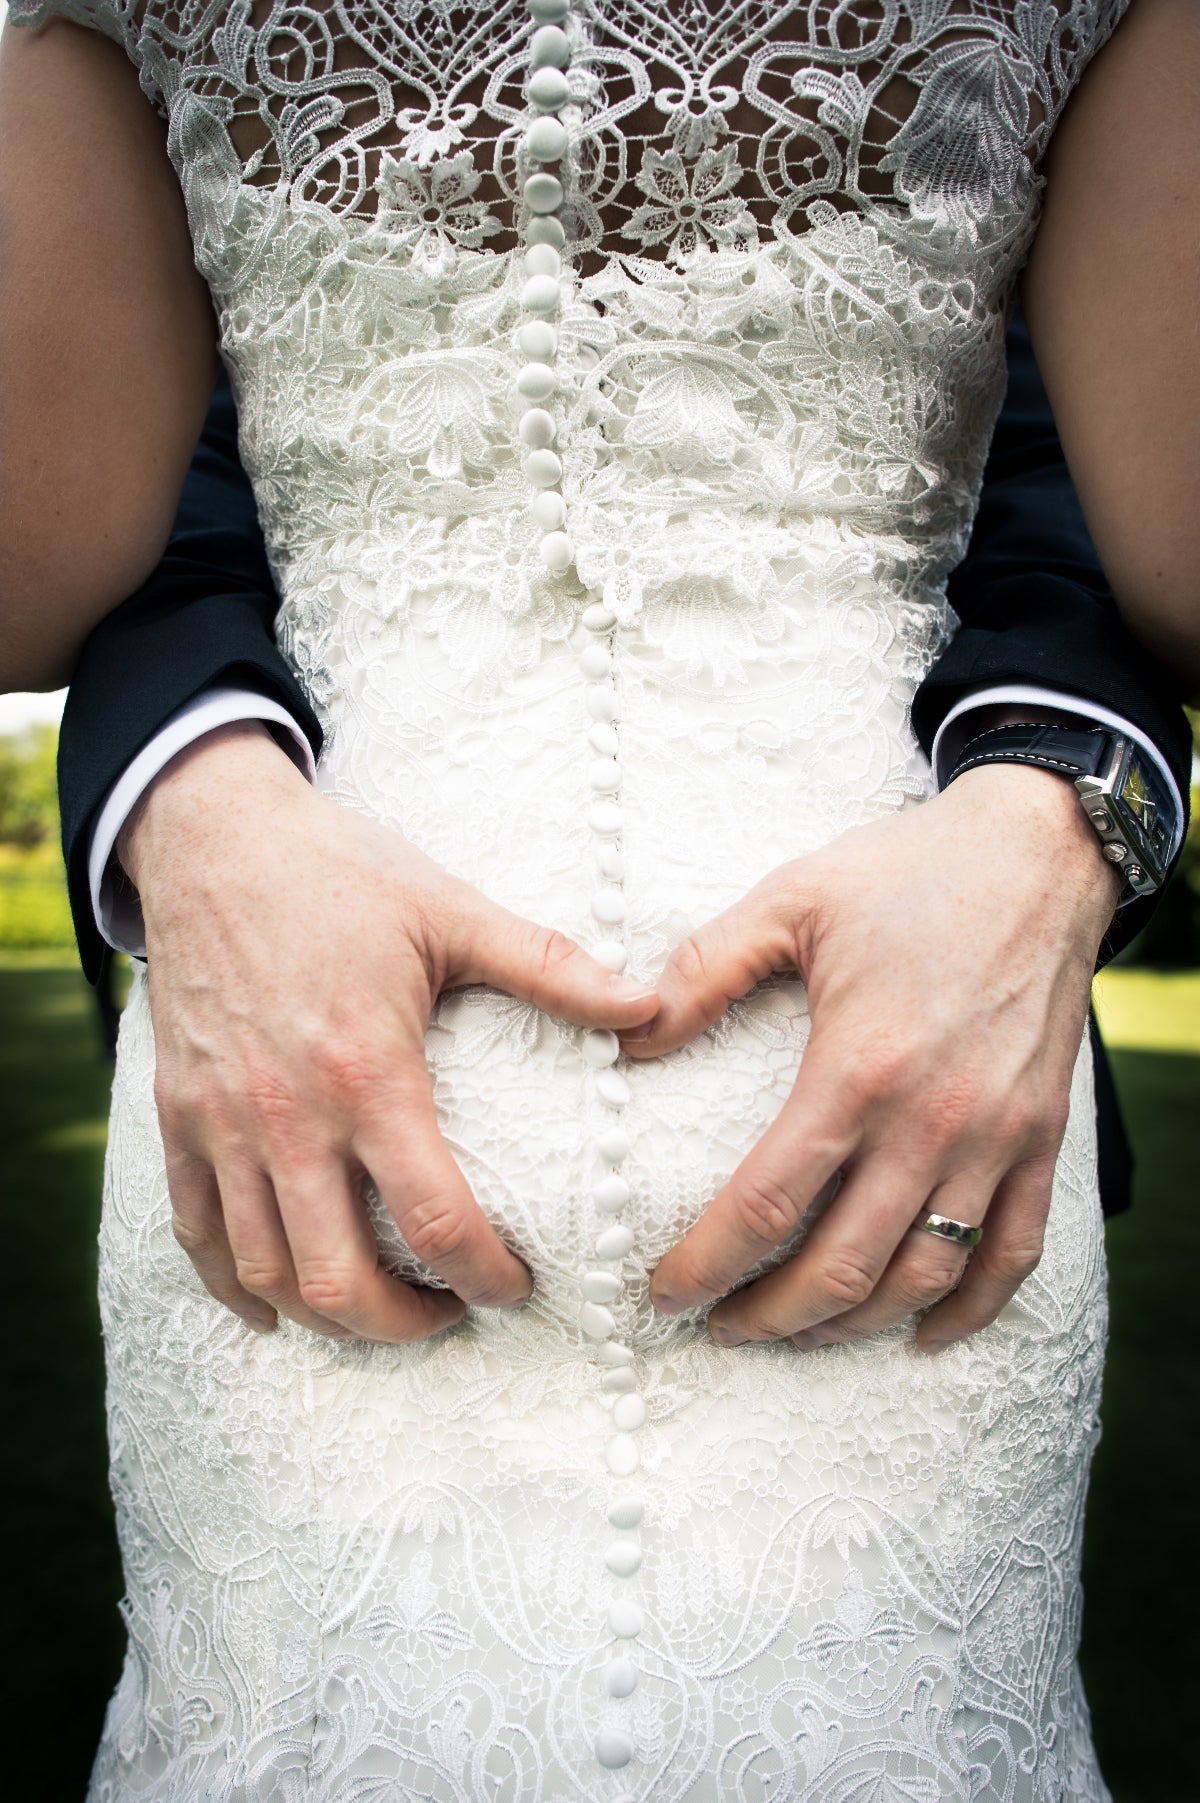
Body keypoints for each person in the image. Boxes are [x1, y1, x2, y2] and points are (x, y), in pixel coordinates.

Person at [2, 2, 1197, 1798]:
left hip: (910, 1117)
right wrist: (184, 785)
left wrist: (1066, 807)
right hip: (295, 1119)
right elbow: (73, 544)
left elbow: (1113, 529)